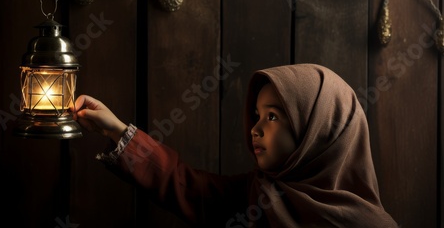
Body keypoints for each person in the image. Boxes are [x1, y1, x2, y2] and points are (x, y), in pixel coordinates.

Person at [73, 63, 398, 227]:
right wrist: (116, 129)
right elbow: (184, 185)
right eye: (257, 115)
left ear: (320, 130)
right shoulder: (257, 195)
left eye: (273, 117)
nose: (254, 129)